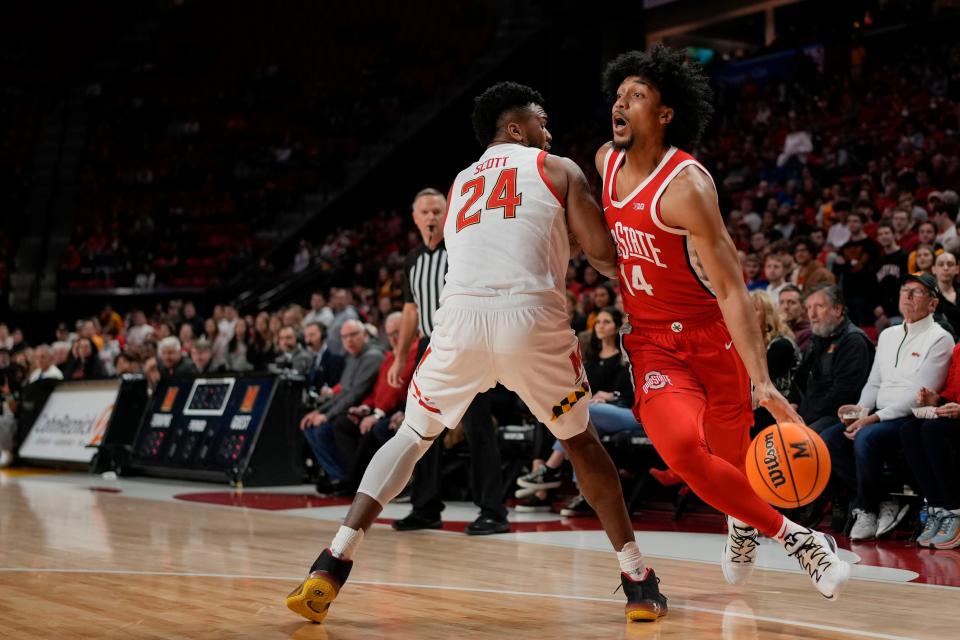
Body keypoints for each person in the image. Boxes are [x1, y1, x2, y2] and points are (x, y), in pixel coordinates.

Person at [286, 81, 668, 624]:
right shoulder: (558, 168)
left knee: (412, 437)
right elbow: (606, 258)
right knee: (580, 440)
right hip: (529, 322)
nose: (549, 132)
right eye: (541, 122)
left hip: (458, 323)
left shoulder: (462, 181)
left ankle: (333, 560)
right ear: (516, 127)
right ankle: (637, 579)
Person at [595, 46, 849, 599]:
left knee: (734, 464)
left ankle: (742, 524)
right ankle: (800, 540)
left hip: (712, 337)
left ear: (665, 114)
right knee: (684, 450)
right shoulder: (604, 162)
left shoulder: (687, 186)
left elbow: (734, 288)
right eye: (620, 93)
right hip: (654, 345)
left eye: (637, 95)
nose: (621, 102)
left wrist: (761, 379)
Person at [387, 187, 509, 536]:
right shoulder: (411, 260)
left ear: (449, 213)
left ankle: (493, 511)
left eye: (437, 211)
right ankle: (425, 508)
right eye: (424, 212)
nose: (431, 217)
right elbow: (410, 310)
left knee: (477, 428)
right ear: (414, 218)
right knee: (421, 429)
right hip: (429, 346)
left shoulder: (462, 249)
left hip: (466, 343)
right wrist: (399, 358)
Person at [820, 274, 953, 540]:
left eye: (917, 292)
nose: (908, 296)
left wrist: (872, 419)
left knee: (866, 438)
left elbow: (919, 396)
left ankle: (866, 508)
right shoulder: (888, 334)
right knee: (829, 439)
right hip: (879, 415)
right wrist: (858, 410)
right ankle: (884, 500)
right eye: (905, 291)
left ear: (933, 304)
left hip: (909, 417)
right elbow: (874, 383)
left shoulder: (941, 338)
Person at [517, 307, 639, 516]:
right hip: (597, 415)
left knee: (582, 411)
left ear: (616, 326)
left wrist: (611, 395)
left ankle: (551, 468)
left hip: (627, 413)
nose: (600, 325)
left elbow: (633, 392)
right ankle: (583, 493)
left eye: (606, 322)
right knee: (572, 416)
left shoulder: (624, 357)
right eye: (598, 321)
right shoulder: (589, 360)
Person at [331, 312, 418, 494]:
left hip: (400, 412)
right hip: (380, 411)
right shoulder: (390, 357)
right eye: (389, 333)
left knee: (375, 429)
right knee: (343, 424)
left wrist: (376, 414)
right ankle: (352, 479)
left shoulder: (415, 352)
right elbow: (377, 391)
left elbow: (399, 393)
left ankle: (358, 483)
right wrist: (365, 407)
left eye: (398, 333)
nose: (393, 338)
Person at [300, 319, 384, 493]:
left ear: (365, 335)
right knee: (310, 426)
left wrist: (327, 416)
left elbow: (355, 394)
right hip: (349, 408)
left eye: (353, 335)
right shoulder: (352, 358)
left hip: (363, 409)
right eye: (344, 337)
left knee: (324, 429)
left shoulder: (373, 356)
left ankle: (346, 478)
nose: (349, 340)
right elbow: (342, 393)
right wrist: (318, 411)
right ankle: (338, 476)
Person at [794, 285, 875, 432]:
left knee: (799, 440)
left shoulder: (853, 341)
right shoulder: (817, 339)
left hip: (840, 415)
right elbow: (801, 379)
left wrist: (804, 417)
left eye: (819, 306)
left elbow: (843, 394)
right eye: (809, 308)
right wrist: (793, 405)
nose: (812, 315)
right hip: (814, 412)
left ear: (837, 310)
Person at [906, 344, 960, 549]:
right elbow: (953, 392)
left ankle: (955, 511)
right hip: (954, 416)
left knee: (932, 431)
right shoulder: (958, 349)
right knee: (909, 430)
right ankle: (938, 507)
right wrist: (937, 399)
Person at [749, 291, 799, 431]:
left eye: (755, 309)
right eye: (747, 310)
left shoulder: (782, 345)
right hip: (762, 404)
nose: (749, 314)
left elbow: (758, 379)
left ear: (768, 315)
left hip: (782, 404)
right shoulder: (752, 344)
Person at [778, 284, 811, 352]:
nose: (786, 307)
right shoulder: (775, 331)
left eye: (791, 302)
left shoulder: (808, 333)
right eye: (782, 302)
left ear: (803, 308)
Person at [934, 251, 960, 332]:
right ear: (933, 269)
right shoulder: (929, 296)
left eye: (950, 264)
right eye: (941, 264)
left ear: (957, 269)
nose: (946, 268)